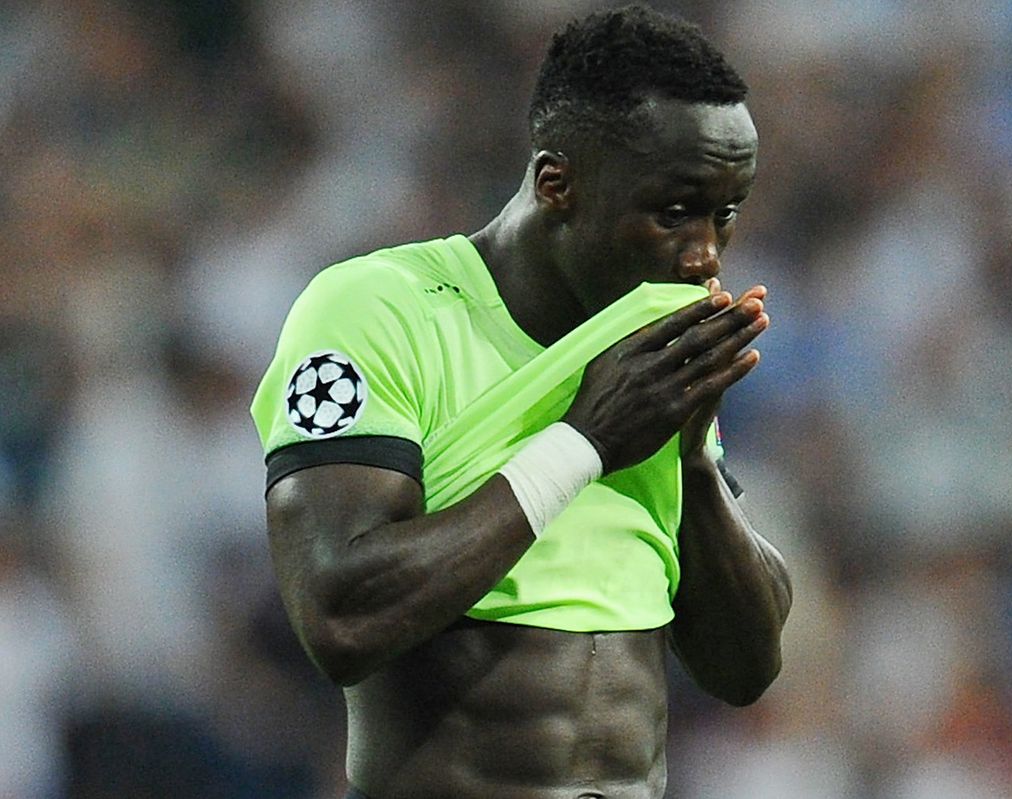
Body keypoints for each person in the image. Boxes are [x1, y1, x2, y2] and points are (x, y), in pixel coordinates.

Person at [251, 5, 792, 798]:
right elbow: (341, 617)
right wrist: (584, 443)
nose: (705, 251)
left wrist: (690, 459)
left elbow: (745, 668)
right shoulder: (383, 309)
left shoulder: (645, 353)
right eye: (673, 211)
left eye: (725, 213)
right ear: (557, 183)